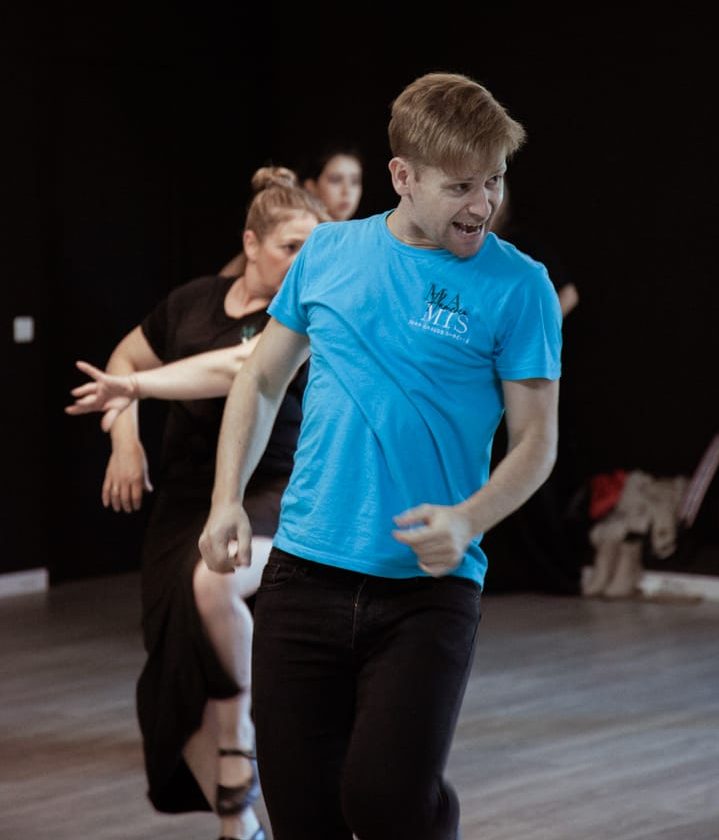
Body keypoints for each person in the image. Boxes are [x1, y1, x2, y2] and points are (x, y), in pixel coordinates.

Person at [197, 72, 562, 839]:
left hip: (426, 594)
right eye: (460, 185)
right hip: (303, 576)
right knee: (303, 815)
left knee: (388, 803)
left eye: (492, 180)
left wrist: (467, 519)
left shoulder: (518, 287)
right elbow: (260, 380)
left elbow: (535, 442)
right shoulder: (328, 254)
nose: (481, 204)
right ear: (402, 176)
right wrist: (226, 496)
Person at [68, 166, 327, 840]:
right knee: (173, 684)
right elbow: (122, 362)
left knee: (214, 585)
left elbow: (234, 371)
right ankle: (238, 824)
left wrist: (140, 391)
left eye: (313, 250)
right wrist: (126, 442)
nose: (303, 263)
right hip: (182, 504)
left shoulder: (298, 319)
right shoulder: (192, 303)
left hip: (269, 490)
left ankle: (241, 741)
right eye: (290, 247)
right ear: (250, 243)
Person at [482, 179, 582, 594]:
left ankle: (554, 572)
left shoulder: (523, 248)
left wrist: (530, 336)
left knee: (530, 459)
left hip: (521, 373)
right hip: (482, 379)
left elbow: (568, 293)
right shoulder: (465, 250)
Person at [219, 144, 363, 278]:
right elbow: (226, 278)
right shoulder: (293, 228)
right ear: (311, 185)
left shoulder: (361, 240)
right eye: (335, 180)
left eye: (355, 181)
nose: (347, 191)